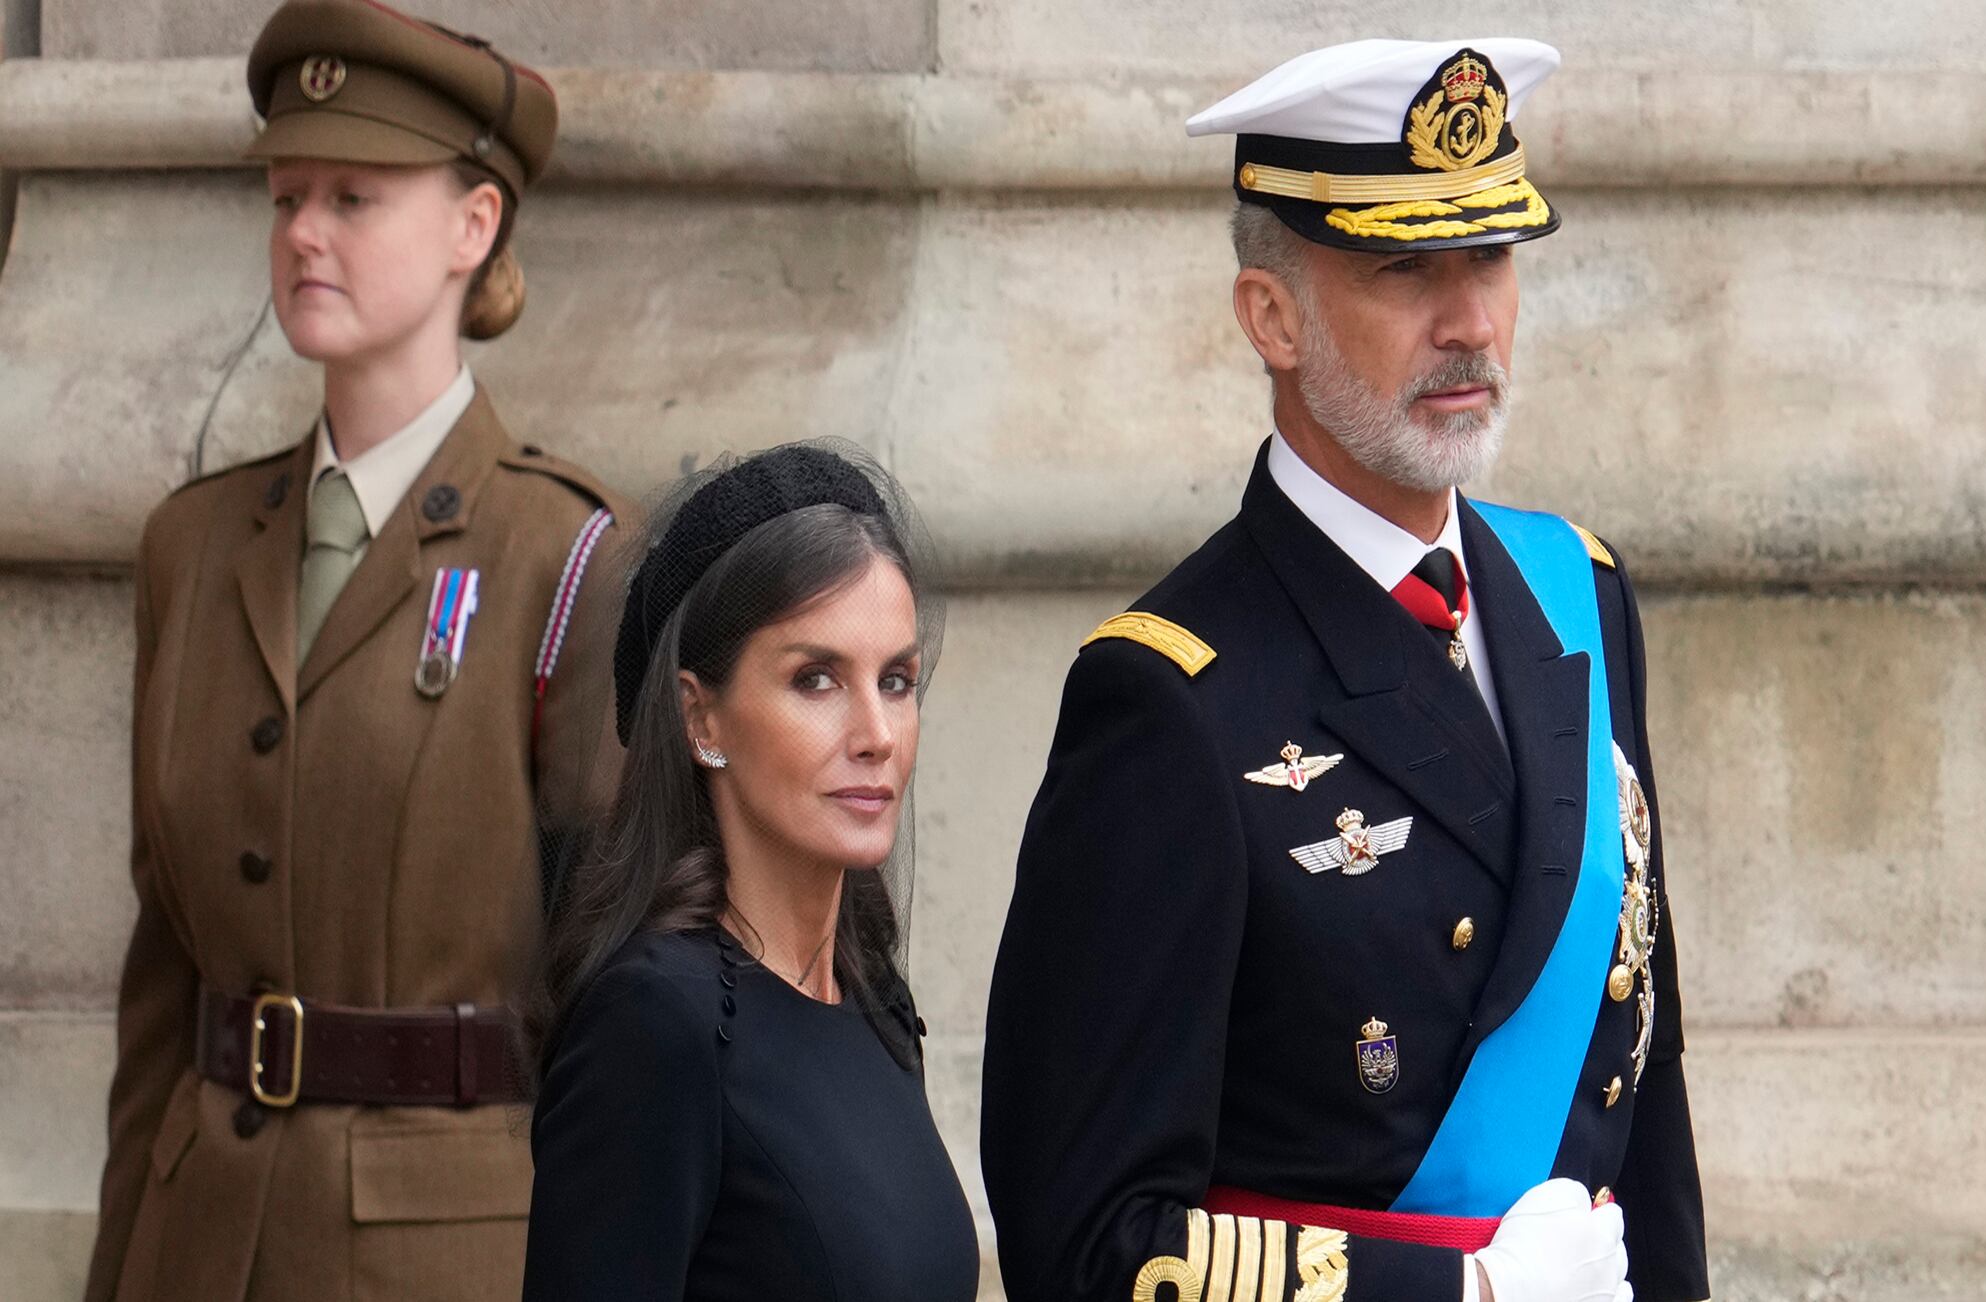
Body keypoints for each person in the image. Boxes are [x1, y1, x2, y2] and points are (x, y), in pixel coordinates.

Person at [982, 38, 1707, 1302]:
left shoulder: (1576, 594)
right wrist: (1457, 1294)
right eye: (1402, 268)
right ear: (1272, 316)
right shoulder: (1169, 702)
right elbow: (1087, 1239)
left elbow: (1643, 1108)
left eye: (1488, 258)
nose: (1469, 321)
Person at [84, 3, 629, 1300]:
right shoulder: (193, 545)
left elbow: (614, 989)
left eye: (355, 198)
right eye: (287, 199)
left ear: (473, 226)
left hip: (449, 1251)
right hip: (197, 1242)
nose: (304, 235)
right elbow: (162, 975)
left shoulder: (566, 552)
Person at [521, 442, 978, 1302]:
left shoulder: (869, 995)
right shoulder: (654, 1024)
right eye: (816, 679)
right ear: (702, 717)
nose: (876, 732)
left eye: (897, 679)